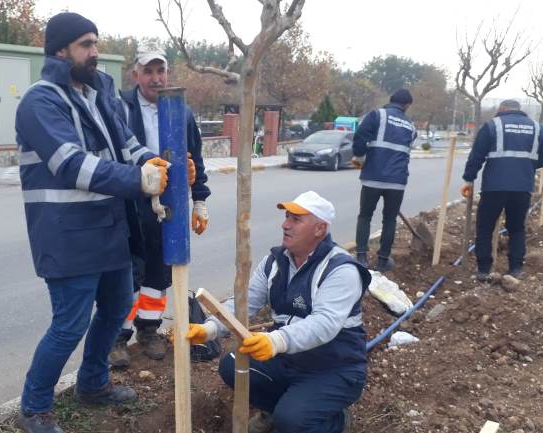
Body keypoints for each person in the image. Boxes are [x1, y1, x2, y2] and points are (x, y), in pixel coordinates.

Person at [14, 12, 172, 433]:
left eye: (96, 43)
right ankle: (34, 409)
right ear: (60, 50)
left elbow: (128, 144)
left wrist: (155, 165)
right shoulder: (40, 101)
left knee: (118, 307)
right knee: (69, 326)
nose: (95, 52)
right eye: (86, 44)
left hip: (109, 228)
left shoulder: (99, 93)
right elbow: (71, 166)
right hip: (67, 234)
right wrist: (139, 180)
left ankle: (93, 384)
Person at [186, 191, 371, 433]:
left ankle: (335, 422)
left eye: (296, 219)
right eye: (286, 217)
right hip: (290, 359)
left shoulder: (340, 270)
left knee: (292, 422)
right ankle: (278, 409)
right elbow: (244, 303)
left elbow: (324, 324)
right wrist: (209, 328)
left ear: (319, 229)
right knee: (232, 366)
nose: (285, 225)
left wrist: (276, 340)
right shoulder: (275, 262)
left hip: (333, 367)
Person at [109, 50, 210, 367]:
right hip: (129, 204)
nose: (155, 78)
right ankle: (117, 337)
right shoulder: (120, 109)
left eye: (160, 70)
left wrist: (200, 200)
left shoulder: (181, 111)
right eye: (148, 71)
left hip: (168, 204)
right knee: (127, 274)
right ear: (135, 75)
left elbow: (196, 158)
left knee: (158, 272)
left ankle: (148, 330)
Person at [461, 99, 543, 279]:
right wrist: (528, 166)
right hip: (523, 186)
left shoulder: (492, 125)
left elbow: (477, 155)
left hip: (494, 186)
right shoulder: (538, 128)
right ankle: (515, 269)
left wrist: (469, 178)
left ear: (502, 109)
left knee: (485, 227)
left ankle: (484, 270)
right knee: (516, 228)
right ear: (519, 110)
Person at [351, 89, 417, 272]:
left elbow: (360, 136)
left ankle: (362, 257)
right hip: (397, 181)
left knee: (365, 216)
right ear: (407, 105)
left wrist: (359, 156)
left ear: (391, 101)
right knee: (389, 220)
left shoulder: (376, 115)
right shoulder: (411, 126)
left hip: (373, 177)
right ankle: (382, 261)